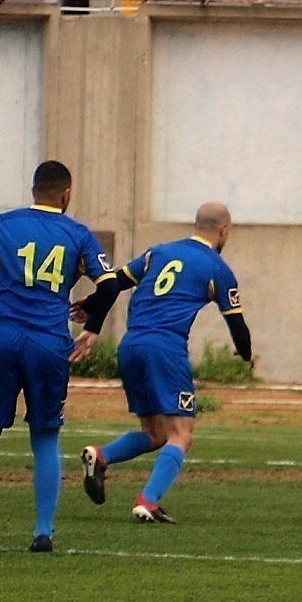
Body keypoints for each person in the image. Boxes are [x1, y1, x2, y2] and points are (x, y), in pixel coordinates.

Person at [0, 160, 120, 553]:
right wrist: (90, 314)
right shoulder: (78, 234)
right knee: (45, 437)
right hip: (49, 343)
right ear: (66, 194)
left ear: (33, 189)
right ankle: (42, 532)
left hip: (4, 336)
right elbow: (110, 283)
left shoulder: (3, 224)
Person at [77, 201, 252, 525]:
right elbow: (237, 326)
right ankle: (148, 501)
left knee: (155, 432)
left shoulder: (157, 252)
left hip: (131, 345)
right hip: (165, 349)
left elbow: (114, 281)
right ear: (224, 230)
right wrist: (246, 354)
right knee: (181, 433)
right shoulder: (217, 267)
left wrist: (92, 313)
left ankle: (101, 457)